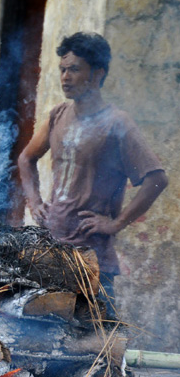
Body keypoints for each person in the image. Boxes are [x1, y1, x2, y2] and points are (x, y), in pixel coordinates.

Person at [18, 32, 168, 321]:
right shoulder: (58, 115)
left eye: (74, 69)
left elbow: (157, 179)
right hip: (53, 248)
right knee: (43, 333)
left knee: (96, 338)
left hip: (92, 257)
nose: (65, 77)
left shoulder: (117, 123)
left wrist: (116, 223)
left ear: (98, 74)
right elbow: (26, 159)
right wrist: (34, 202)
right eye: (62, 69)